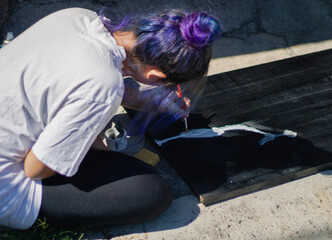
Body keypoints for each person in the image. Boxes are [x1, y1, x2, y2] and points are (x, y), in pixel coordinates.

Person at [0, 7, 220, 229]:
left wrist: (146, 102)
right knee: (153, 191)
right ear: (154, 76)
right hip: (8, 185)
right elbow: (34, 169)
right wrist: (98, 152)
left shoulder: (79, 16)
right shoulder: (104, 86)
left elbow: (77, 78)